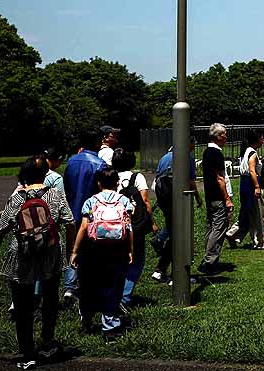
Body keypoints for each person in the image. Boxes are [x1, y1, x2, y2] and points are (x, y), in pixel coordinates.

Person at [0, 155, 74, 369]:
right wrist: (71, 249)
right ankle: (47, 340)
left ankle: (27, 350)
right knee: (50, 298)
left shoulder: (17, 198)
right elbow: (70, 222)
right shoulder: (55, 195)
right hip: (50, 253)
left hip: (22, 255)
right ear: (46, 172)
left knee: (23, 305)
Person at [70, 167, 132, 340]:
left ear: (99, 183)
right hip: (118, 249)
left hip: (93, 249)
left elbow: (83, 227)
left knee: (91, 283)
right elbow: (128, 228)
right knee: (114, 285)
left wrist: (75, 251)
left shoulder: (90, 201)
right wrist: (130, 250)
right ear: (117, 183)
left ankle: (87, 319)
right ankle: (110, 326)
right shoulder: (124, 201)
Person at [61, 131, 105, 303]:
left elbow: (65, 186)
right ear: (95, 143)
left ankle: (69, 287)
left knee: (73, 247)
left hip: (71, 211)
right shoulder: (99, 164)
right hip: (91, 214)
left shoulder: (71, 161)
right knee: (91, 250)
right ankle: (87, 284)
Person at [150, 141, 201, 283]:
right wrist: (197, 197)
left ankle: (161, 269)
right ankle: (177, 275)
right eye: (193, 143)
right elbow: (190, 181)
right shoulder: (187, 158)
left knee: (174, 234)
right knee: (179, 236)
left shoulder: (165, 157)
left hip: (164, 199)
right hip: (177, 200)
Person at [115, 149, 156, 310]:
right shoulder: (136, 177)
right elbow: (145, 200)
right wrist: (152, 222)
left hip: (116, 224)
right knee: (137, 260)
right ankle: (124, 298)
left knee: (119, 260)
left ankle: (115, 294)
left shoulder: (111, 175)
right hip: (135, 225)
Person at [198, 123, 234, 274]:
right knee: (219, 228)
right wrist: (227, 199)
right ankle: (210, 261)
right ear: (218, 136)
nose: (226, 137)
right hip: (218, 197)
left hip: (209, 196)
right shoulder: (217, 153)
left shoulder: (206, 152)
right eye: (224, 134)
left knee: (211, 227)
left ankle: (208, 258)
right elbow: (220, 179)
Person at [227, 132, 264, 249]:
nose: (263, 140)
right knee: (259, 214)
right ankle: (261, 241)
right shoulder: (253, 154)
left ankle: (233, 234)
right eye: (261, 138)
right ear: (256, 140)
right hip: (251, 184)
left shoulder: (246, 151)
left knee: (247, 212)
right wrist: (257, 187)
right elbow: (252, 170)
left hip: (244, 184)